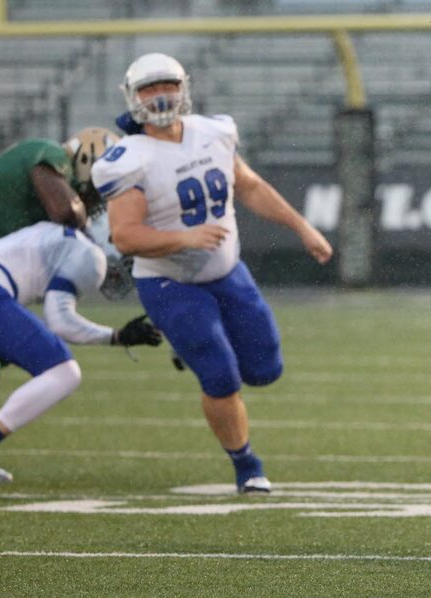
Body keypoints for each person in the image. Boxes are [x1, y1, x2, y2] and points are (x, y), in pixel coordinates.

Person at [92, 52, 334, 494]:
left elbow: (250, 186)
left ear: (184, 88)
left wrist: (302, 227)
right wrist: (183, 238)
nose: (160, 95)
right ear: (131, 97)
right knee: (220, 376)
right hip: (168, 281)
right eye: (149, 88)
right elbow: (125, 237)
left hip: (227, 271)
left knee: (264, 370)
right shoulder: (128, 158)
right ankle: (247, 465)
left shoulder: (214, 131)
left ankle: (193, 347)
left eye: (167, 84)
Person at [0, 214, 163, 483]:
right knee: (64, 372)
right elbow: (60, 321)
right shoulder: (90, 255)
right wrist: (116, 336)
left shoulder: (58, 238)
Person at [0, 127, 120, 238]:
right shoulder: (53, 154)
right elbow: (65, 211)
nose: (95, 202)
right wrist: (85, 235)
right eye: (96, 194)